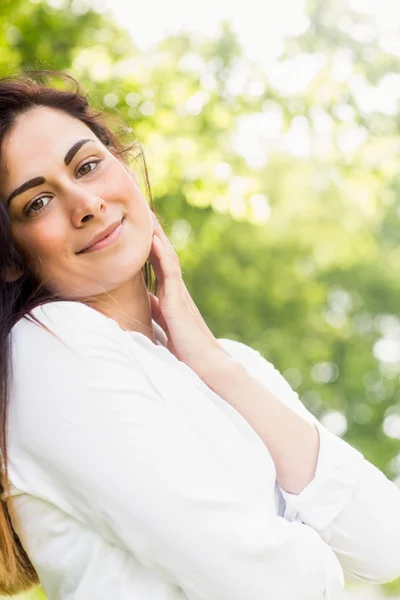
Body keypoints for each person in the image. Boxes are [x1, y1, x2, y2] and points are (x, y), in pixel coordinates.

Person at [0, 70, 399, 600]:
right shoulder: (49, 346)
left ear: (123, 165)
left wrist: (216, 366)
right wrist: (316, 546)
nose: (86, 204)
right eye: (37, 202)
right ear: (9, 255)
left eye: (88, 166)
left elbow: (383, 546)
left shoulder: (232, 364)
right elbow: (275, 587)